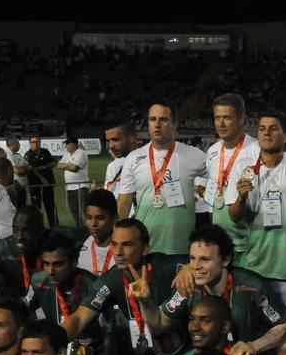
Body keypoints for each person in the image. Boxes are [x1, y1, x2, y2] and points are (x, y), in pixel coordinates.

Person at [64, 218, 188, 355]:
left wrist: (190, 269)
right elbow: (79, 319)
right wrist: (50, 340)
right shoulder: (112, 280)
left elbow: (199, 262)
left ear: (145, 248)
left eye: (127, 245)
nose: (119, 252)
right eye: (114, 244)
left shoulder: (166, 267)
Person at [150, 224, 286, 355]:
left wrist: (253, 346)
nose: (196, 266)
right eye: (192, 258)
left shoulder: (252, 286)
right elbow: (159, 322)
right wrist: (144, 300)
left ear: (226, 260)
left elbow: (285, 326)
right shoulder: (189, 286)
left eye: (205, 259)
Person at [235, 113, 286, 322]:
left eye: (273, 128)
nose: (266, 132)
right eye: (262, 128)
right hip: (253, 267)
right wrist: (240, 197)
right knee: (255, 328)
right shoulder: (245, 169)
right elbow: (235, 217)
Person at [117, 102, 208, 255]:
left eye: (163, 120)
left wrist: (207, 190)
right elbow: (124, 203)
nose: (157, 125)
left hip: (182, 249)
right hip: (145, 248)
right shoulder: (134, 158)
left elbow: (221, 177)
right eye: (152, 119)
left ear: (174, 124)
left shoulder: (194, 155)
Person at [205, 93, 261, 263]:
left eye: (227, 118)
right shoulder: (212, 151)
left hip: (249, 244)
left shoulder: (256, 150)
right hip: (220, 245)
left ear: (241, 118)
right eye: (217, 118)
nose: (221, 124)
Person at [29, 232, 103, 355]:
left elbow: (110, 331)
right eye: (46, 264)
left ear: (74, 262)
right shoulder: (41, 287)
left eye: (58, 264)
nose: (50, 271)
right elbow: (36, 316)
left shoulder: (94, 287)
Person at [0, 206, 48, 303]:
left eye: (26, 230)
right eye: (15, 229)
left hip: (43, 305)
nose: (19, 236)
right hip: (14, 307)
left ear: (40, 230)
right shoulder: (5, 249)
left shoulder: (54, 246)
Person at [78, 189, 118, 276]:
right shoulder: (79, 244)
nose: (93, 224)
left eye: (100, 218)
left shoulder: (123, 248)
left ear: (114, 218)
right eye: (89, 218)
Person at [25, 135, 58, 227]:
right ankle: (38, 226)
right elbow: (32, 169)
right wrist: (42, 177)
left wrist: (45, 166)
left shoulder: (45, 152)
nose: (35, 144)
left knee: (50, 205)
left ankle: (54, 226)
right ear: (30, 144)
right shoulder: (28, 155)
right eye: (33, 142)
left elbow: (54, 162)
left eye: (37, 142)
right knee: (36, 207)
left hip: (48, 184)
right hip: (35, 185)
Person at [58, 137, 91, 225]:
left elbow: (74, 168)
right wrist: (68, 165)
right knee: (73, 209)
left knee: (84, 210)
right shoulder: (67, 154)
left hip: (81, 186)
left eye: (68, 144)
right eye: (66, 144)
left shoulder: (81, 153)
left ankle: (89, 229)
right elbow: (59, 165)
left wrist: (65, 165)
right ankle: (79, 228)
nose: (66, 146)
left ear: (74, 144)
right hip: (70, 187)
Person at [103, 121, 139, 196]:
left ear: (132, 138)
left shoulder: (150, 162)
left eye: (115, 140)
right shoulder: (113, 167)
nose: (111, 146)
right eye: (108, 141)